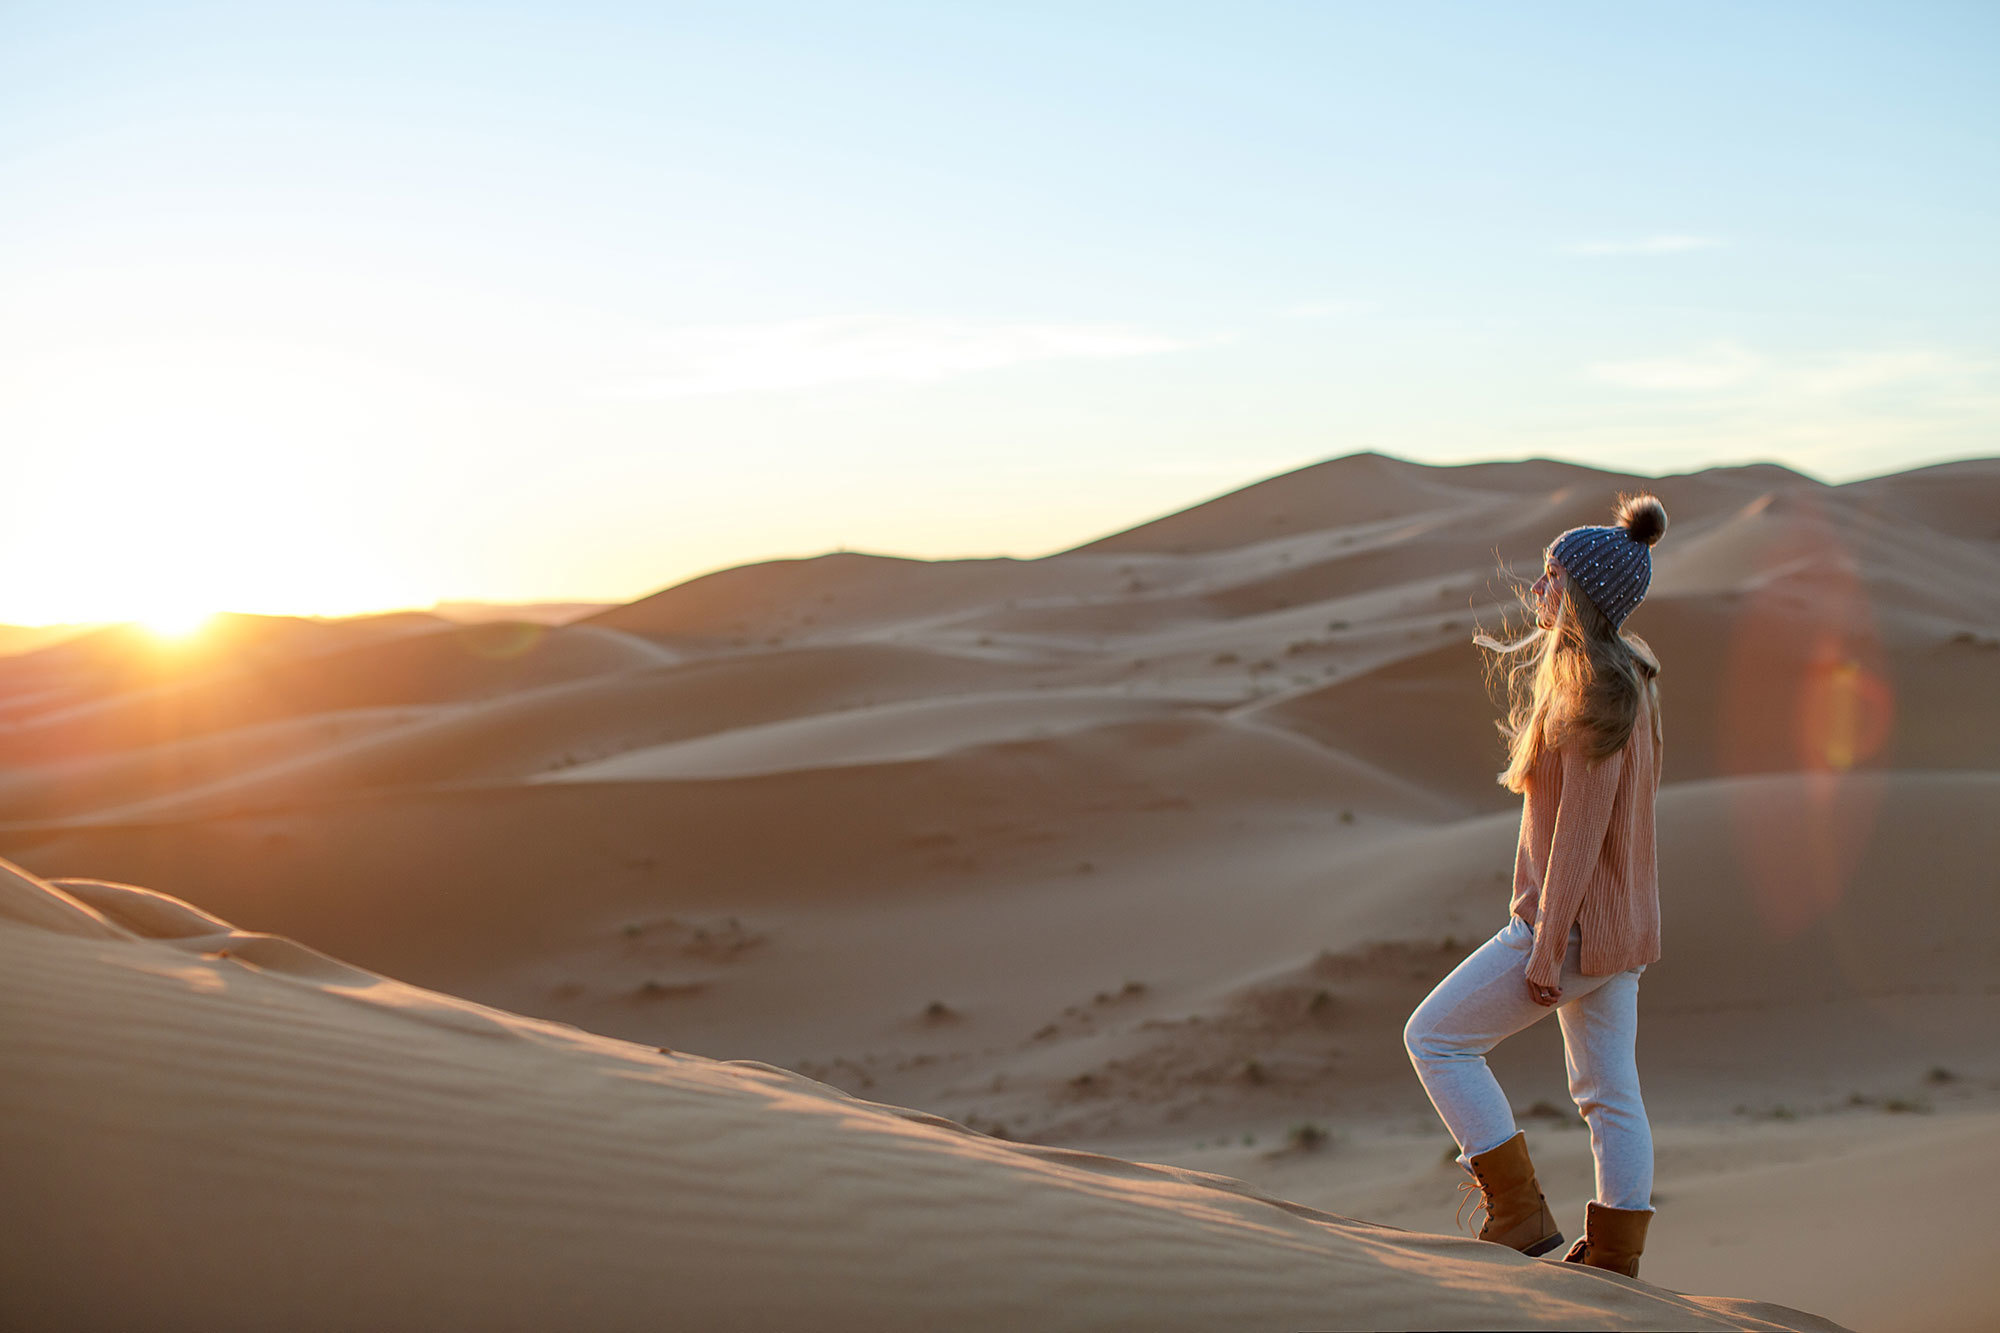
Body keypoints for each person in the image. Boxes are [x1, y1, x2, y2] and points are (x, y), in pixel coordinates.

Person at [1402, 492, 1669, 1279]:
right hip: (1623, 932)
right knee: (1608, 1088)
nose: (1539, 589)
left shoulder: (1594, 693)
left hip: (1575, 927)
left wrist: (1547, 948)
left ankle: (1517, 1214)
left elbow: (1581, 837)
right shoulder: (1631, 677)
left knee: (1437, 1039)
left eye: (1553, 577)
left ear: (1584, 594)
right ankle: (1616, 1255)